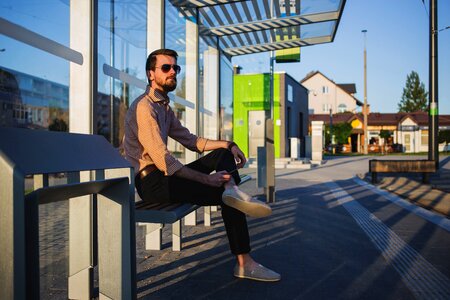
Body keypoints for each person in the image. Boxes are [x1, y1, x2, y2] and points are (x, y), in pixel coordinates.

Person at [123, 48, 280, 282]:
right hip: (153, 183)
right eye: (166, 68)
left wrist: (228, 143)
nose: (173, 72)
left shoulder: (163, 106)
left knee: (221, 157)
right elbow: (163, 159)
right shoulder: (145, 108)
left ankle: (233, 193)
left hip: (166, 177)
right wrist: (207, 179)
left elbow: (191, 141)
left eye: (175, 68)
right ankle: (244, 262)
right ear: (150, 74)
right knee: (227, 195)